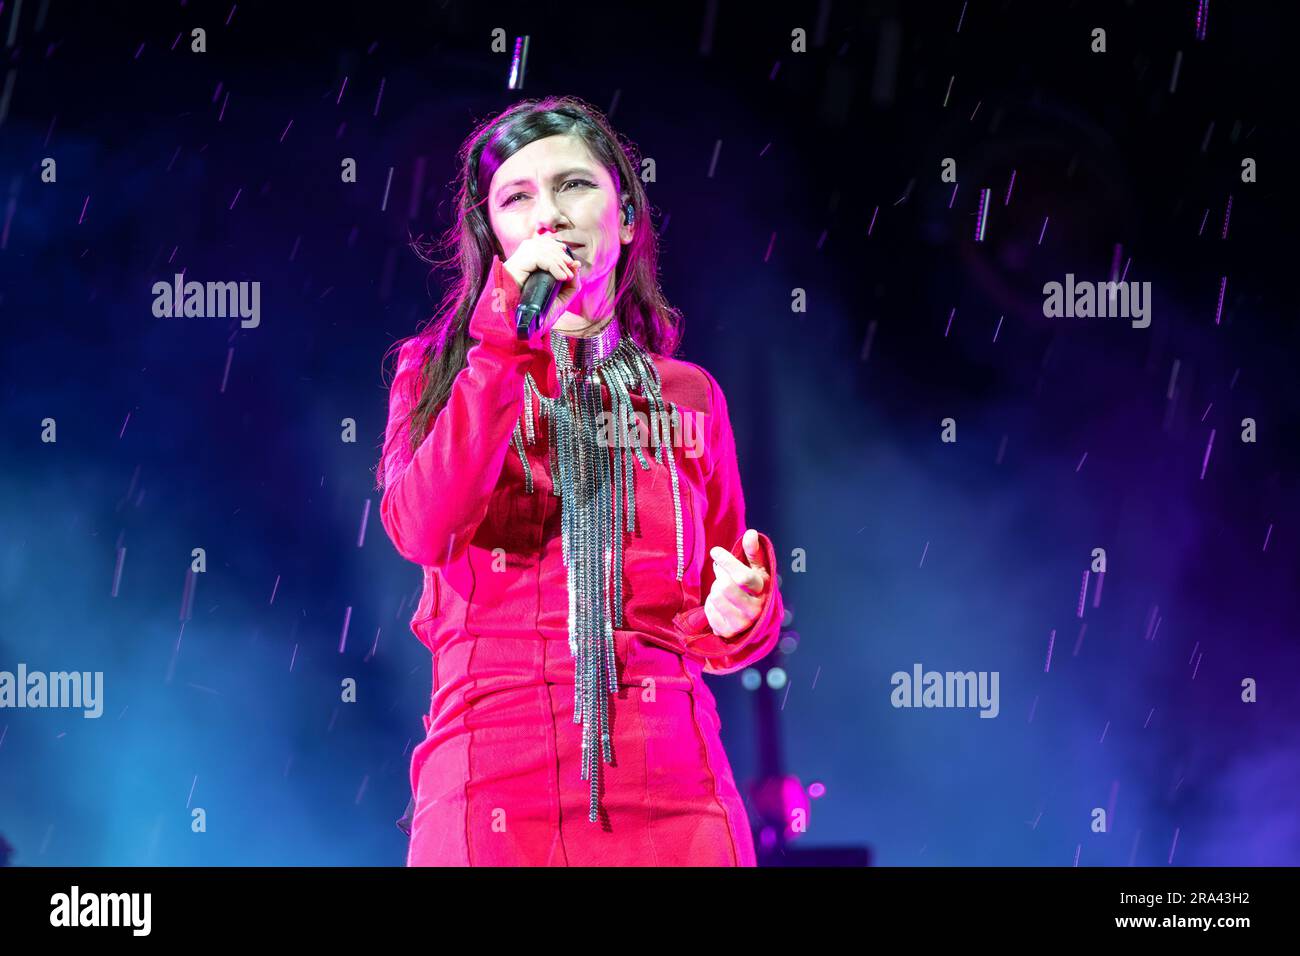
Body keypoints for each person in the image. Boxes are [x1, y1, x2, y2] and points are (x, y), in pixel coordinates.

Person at [377, 95, 783, 865]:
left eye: (574, 186)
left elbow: (721, 590)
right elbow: (425, 528)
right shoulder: (440, 374)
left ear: (626, 218)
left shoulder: (686, 394)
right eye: (517, 198)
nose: (548, 215)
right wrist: (503, 346)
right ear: (492, 237)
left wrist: (740, 610)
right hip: (492, 776)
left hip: (675, 780)